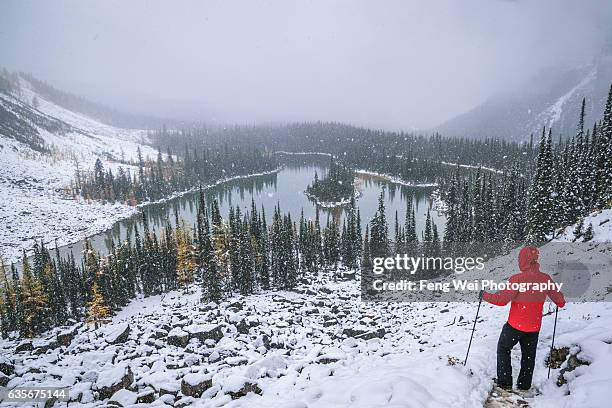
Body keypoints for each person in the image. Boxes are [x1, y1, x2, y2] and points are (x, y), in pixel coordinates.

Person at [481, 246, 565, 392]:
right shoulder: (545, 279)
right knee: (528, 357)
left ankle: (505, 383)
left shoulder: (517, 279)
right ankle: (524, 386)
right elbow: (560, 301)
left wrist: (484, 295)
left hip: (514, 325)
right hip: (534, 327)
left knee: (503, 349)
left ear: (522, 260)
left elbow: (501, 300)